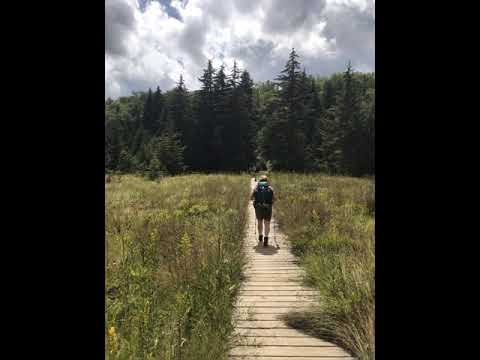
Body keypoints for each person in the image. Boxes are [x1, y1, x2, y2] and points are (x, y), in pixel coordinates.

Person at [250, 175, 275, 247]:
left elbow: (251, 198)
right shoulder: (270, 188)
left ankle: (260, 235)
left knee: (260, 222)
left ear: (260, 181)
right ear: (267, 181)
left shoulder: (256, 188)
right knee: (267, 223)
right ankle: (266, 238)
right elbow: (274, 199)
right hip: (268, 208)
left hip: (258, 207)